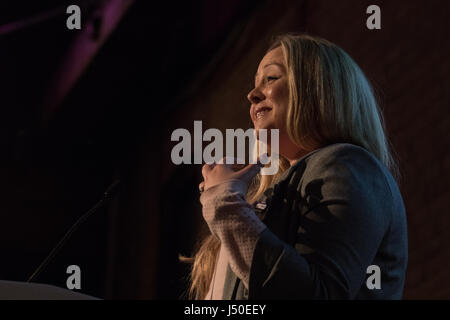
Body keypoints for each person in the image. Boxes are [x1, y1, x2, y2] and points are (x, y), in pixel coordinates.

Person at [181, 33, 408, 300]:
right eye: (255, 84)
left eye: (271, 79)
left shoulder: (348, 166)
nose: (252, 95)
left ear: (318, 88)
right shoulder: (274, 196)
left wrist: (225, 207)